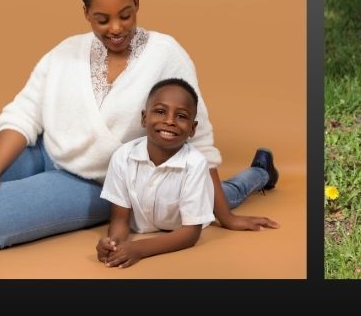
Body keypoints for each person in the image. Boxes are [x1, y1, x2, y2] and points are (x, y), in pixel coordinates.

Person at [0, 0, 280, 249]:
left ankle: (258, 173)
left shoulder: (167, 54)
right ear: (86, 12)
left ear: (137, 2)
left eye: (125, 15)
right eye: (102, 19)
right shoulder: (65, 51)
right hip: (42, 153)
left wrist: (227, 217)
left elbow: (198, 140)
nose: (115, 28)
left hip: (98, 182)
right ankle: (1, 185)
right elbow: (24, 113)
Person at [97, 79, 267, 268]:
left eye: (181, 116)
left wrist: (139, 249)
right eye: (161, 111)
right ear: (144, 118)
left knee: (232, 191)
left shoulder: (195, 164)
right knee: (227, 190)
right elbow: (120, 219)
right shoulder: (122, 157)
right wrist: (113, 244)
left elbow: (190, 234)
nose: (169, 121)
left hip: (197, 193)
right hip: (186, 193)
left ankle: (261, 170)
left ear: (193, 129)